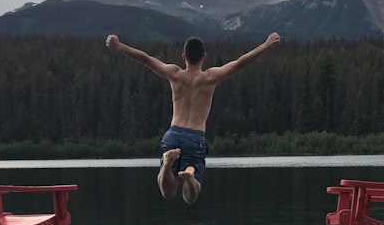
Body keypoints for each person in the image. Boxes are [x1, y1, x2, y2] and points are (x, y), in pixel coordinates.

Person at [106, 31, 281, 203]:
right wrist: (265, 45)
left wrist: (119, 46)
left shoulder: (175, 74)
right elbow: (239, 64)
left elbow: (146, 59)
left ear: (184, 56)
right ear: (204, 57)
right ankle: (189, 177)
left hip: (173, 134)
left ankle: (167, 165)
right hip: (195, 137)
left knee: (167, 193)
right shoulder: (209, 77)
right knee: (190, 197)